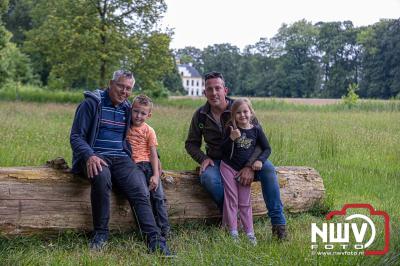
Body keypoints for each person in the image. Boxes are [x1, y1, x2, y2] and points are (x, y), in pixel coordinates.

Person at [70, 70, 172, 254]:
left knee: (140, 188)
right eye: (120, 86)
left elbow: (142, 138)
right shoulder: (92, 104)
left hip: (121, 158)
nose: (124, 91)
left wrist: (155, 161)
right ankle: (100, 234)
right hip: (96, 156)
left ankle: (155, 240)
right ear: (111, 83)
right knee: (102, 177)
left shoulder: (127, 108)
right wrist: (89, 155)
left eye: (128, 88)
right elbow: (76, 137)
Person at [185, 71, 287, 240]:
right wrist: (203, 158)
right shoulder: (200, 115)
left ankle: (279, 225)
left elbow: (260, 142)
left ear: (226, 90)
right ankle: (234, 220)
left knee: (268, 170)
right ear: (204, 93)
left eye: (218, 88)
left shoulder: (240, 108)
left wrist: (249, 166)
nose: (214, 92)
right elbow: (190, 143)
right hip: (220, 161)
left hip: (246, 158)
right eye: (209, 89)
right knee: (208, 178)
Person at [220, 98, 270, 245]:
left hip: (243, 171)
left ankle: (249, 233)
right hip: (228, 167)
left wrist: (260, 160)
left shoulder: (256, 130)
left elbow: (267, 148)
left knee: (244, 201)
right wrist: (231, 139)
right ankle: (233, 232)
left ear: (251, 112)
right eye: (238, 113)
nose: (242, 115)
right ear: (233, 115)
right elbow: (222, 150)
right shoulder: (231, 129)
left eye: (245, 111)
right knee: (231, 199)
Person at [126, 94, 171, 239]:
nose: (138, 116)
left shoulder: (149, 131)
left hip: (149, 166)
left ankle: (164, 229)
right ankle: (147, 229)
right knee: (142, 196)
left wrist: (156, 175)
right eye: (136, 111)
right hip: (134, 167)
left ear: (149, 115)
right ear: (131, 109)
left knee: (158, 197)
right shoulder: (125, 128)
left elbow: (153, 154)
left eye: (143, 113)